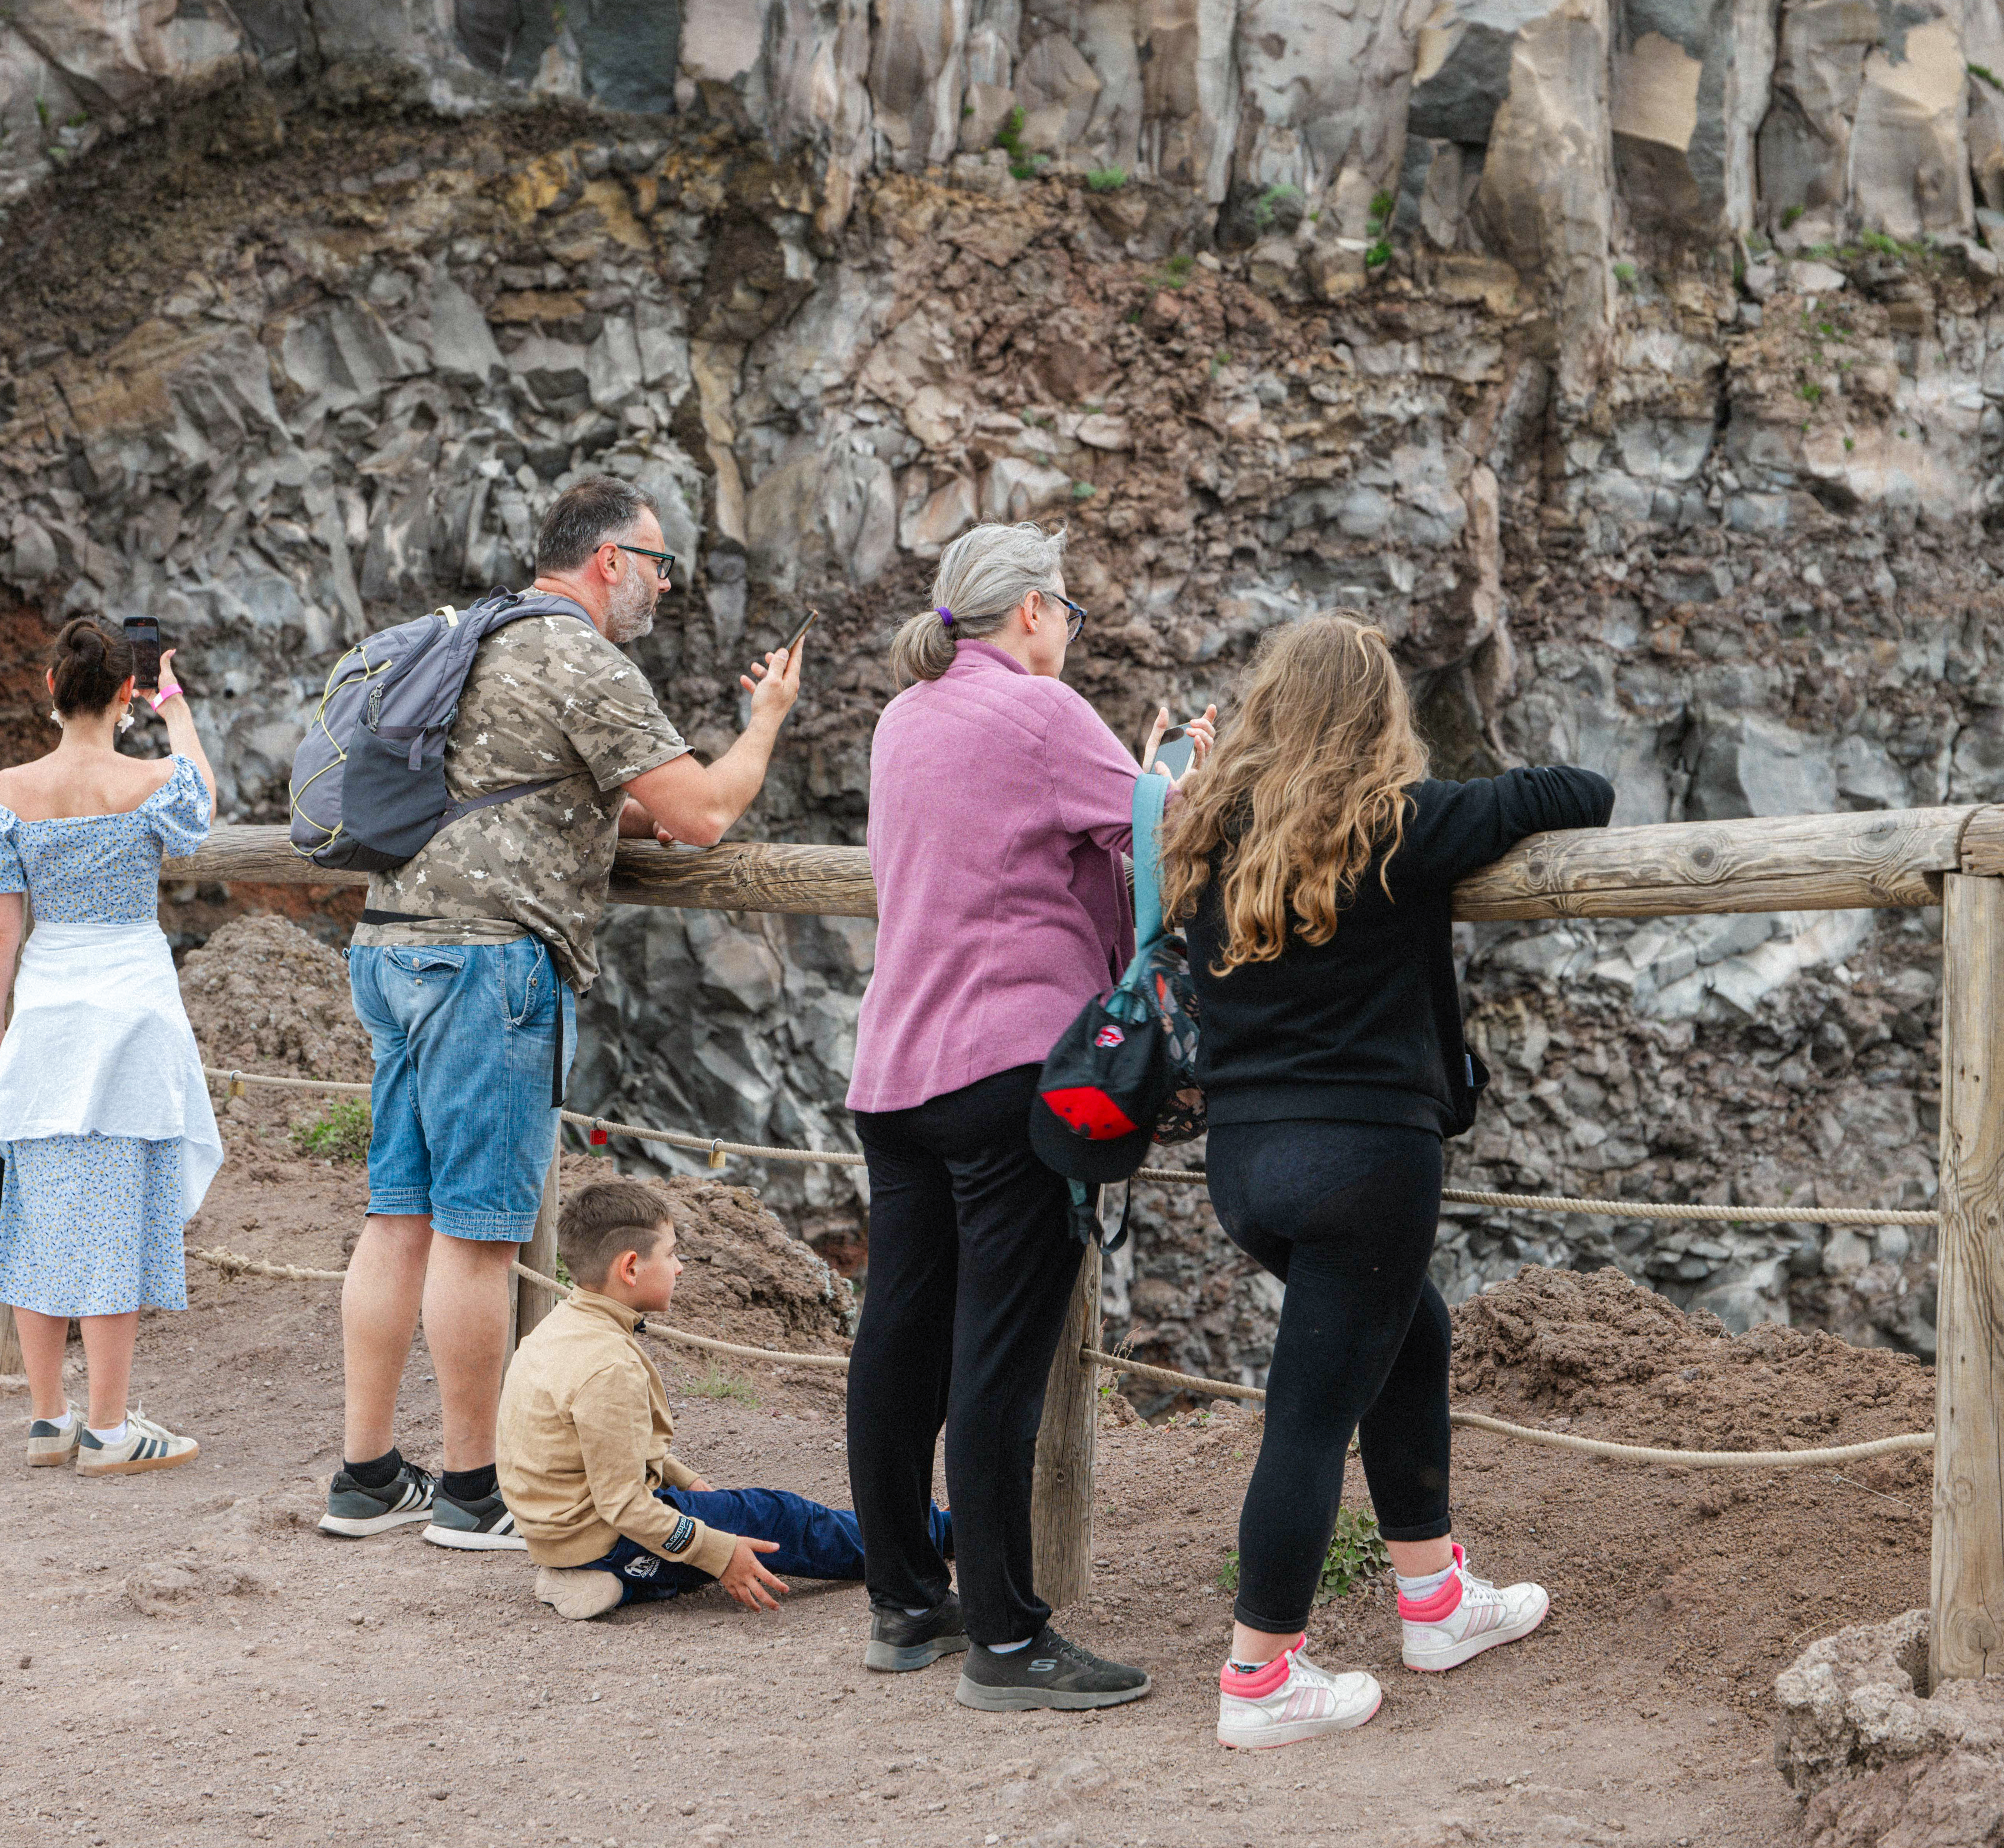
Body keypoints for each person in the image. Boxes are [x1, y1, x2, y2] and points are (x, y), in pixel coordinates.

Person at [1156, 611, 1614, 1749]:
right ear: (1376, 718)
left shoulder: (1213, 837)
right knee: (1309, 1412)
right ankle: (1257, 1679)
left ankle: (1433, 1597)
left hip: (1245, 1167)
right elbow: (1579, 790)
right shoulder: (1402, 824)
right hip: (1364, 1160)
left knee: (1407, 1331)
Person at [320, 476, 804, 1548]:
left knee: (397, 1215)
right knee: (479, 1236)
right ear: (610, 561)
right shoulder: (581, 657)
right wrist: (765, 719)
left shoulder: (479, 636)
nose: (667, 586)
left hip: (392, 944)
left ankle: (364, 1478)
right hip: (489, 968)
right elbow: (705, 815)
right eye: (660, 562)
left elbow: (579, 791)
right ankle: (471, 1490)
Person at [843, 521, 1205, 1712]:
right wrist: (1182, 777)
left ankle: (905, 1600)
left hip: (892, 1073)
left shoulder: (905, 713)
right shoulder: (1042, 711)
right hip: (1006, 1075)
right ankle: (1005, 1637)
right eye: (1071, 614)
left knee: (897, 1340)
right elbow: (1159, 833)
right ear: (1036, 611)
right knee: (995, 1358)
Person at [0, 616, 226, 1478]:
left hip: (48, 1013)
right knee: (115, 1219)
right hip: (133, 1011)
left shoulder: (8, 791)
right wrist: (174, 705)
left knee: (38, 1212)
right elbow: (203, 804)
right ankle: (110, 1428)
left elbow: (0, 936)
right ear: (124, 694)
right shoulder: (151, 780)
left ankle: (49, 1418)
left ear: (49, 686)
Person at [501, 1178, 954, 1619]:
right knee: (782, 1521)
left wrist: (687, 1480)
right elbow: (624, 1507)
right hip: (607, 1536)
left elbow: (604, 1449)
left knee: (729, 1516)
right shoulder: (609, 1368)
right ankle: (944, 1534)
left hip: (558, 1532)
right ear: (631, 1267)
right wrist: (718, 1553)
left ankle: (605, 1575)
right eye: (672, 1254)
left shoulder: (559, 1329)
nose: (679, 1267)